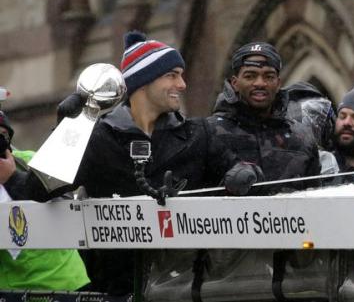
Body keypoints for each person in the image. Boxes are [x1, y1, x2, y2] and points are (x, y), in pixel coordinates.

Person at [0, 31, 219, 295]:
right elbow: (38, 190)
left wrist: (243, 172)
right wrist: (66, 131)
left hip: (190, 286)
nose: (182, 84)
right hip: (117, 287)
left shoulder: (199, 134)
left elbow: (237, 171)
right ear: (144, 82)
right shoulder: (99, 138)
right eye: (172, 75)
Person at [208, 42, 321, 196]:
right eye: (250, 76)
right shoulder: (208, 134)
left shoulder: (302, 139)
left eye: (269, 76)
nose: (260, 83)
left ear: (278, 83)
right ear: (235, 83)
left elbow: (315, 199)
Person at [0, 112, 90, 291]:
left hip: (66, 281)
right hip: (13, 288)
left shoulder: (30, 161)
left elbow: (67, 210)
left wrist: (13, 178)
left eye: (3, 136)